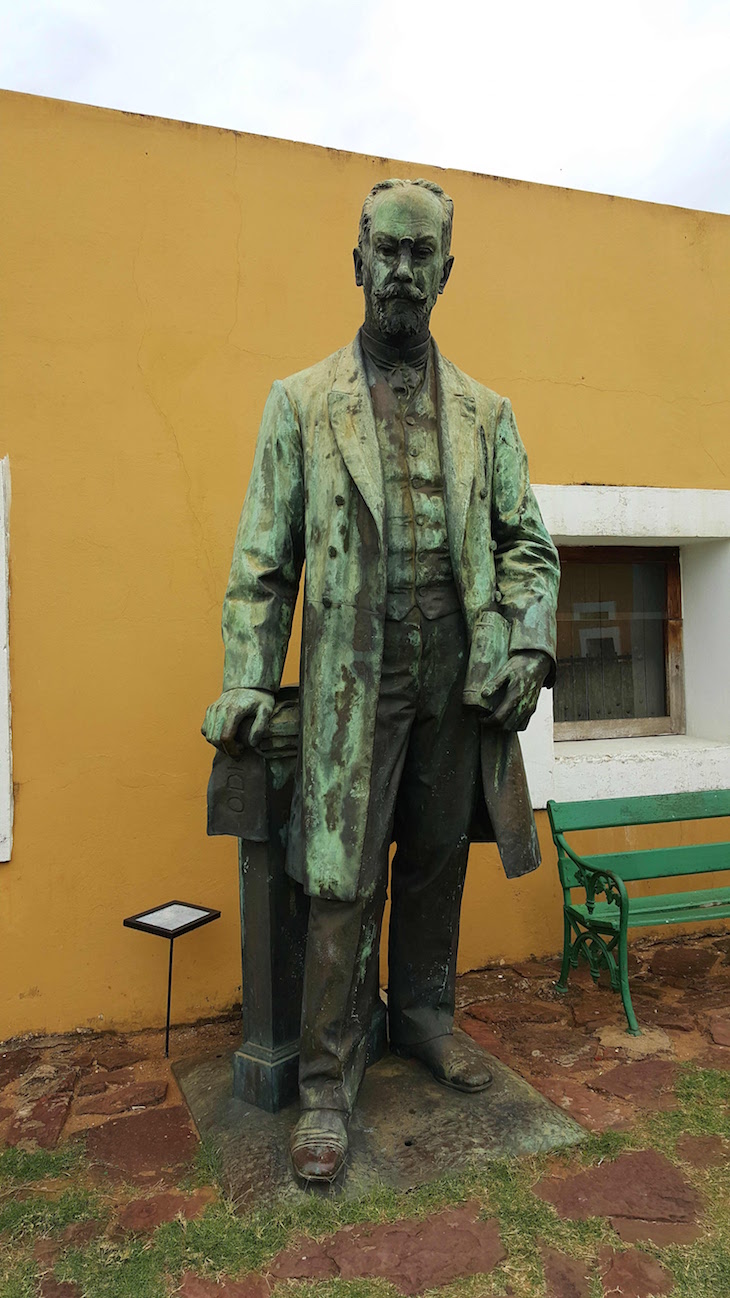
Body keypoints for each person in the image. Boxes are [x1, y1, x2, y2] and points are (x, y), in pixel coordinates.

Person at [203, 178, 559, 1183]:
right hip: (352, 676)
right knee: (340, 871)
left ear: (446, 270)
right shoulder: (301, 402)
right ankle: (326, 1078)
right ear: (356, 258)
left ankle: (424, 1016)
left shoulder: (488, 415)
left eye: (420, 255)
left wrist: (522, 643)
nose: (401, 271)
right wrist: (243, 677)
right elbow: (262, 564)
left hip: (457, 669)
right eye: (386, 252)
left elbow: (527, 544)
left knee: (437, 855)